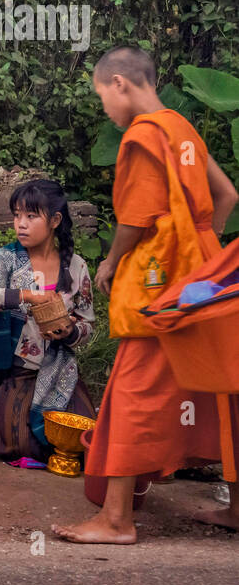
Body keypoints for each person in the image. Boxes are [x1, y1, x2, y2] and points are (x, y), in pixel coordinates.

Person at [55, 47, 239, 544]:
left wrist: (113, 262)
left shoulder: (141, 135)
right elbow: (226, 196)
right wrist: (203, 244)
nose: (106, 110)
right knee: (220, 384)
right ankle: (236, 507)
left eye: (102, 97)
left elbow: (135, 219)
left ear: (119, 83)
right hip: (208, 274)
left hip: (165, 280)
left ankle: (116, 520)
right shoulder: (181, 127)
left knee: (137, 383)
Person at [0, 179, 97, 462]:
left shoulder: (76, 266)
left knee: (83, 441)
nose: (20, 223)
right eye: (17, 215)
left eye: (31, 216)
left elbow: (88, 324)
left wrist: (70, 332)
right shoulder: (4, 260)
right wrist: (26, 296)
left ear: (55, 220)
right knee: (20, 447)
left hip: (61, 370)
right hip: (18, 371)